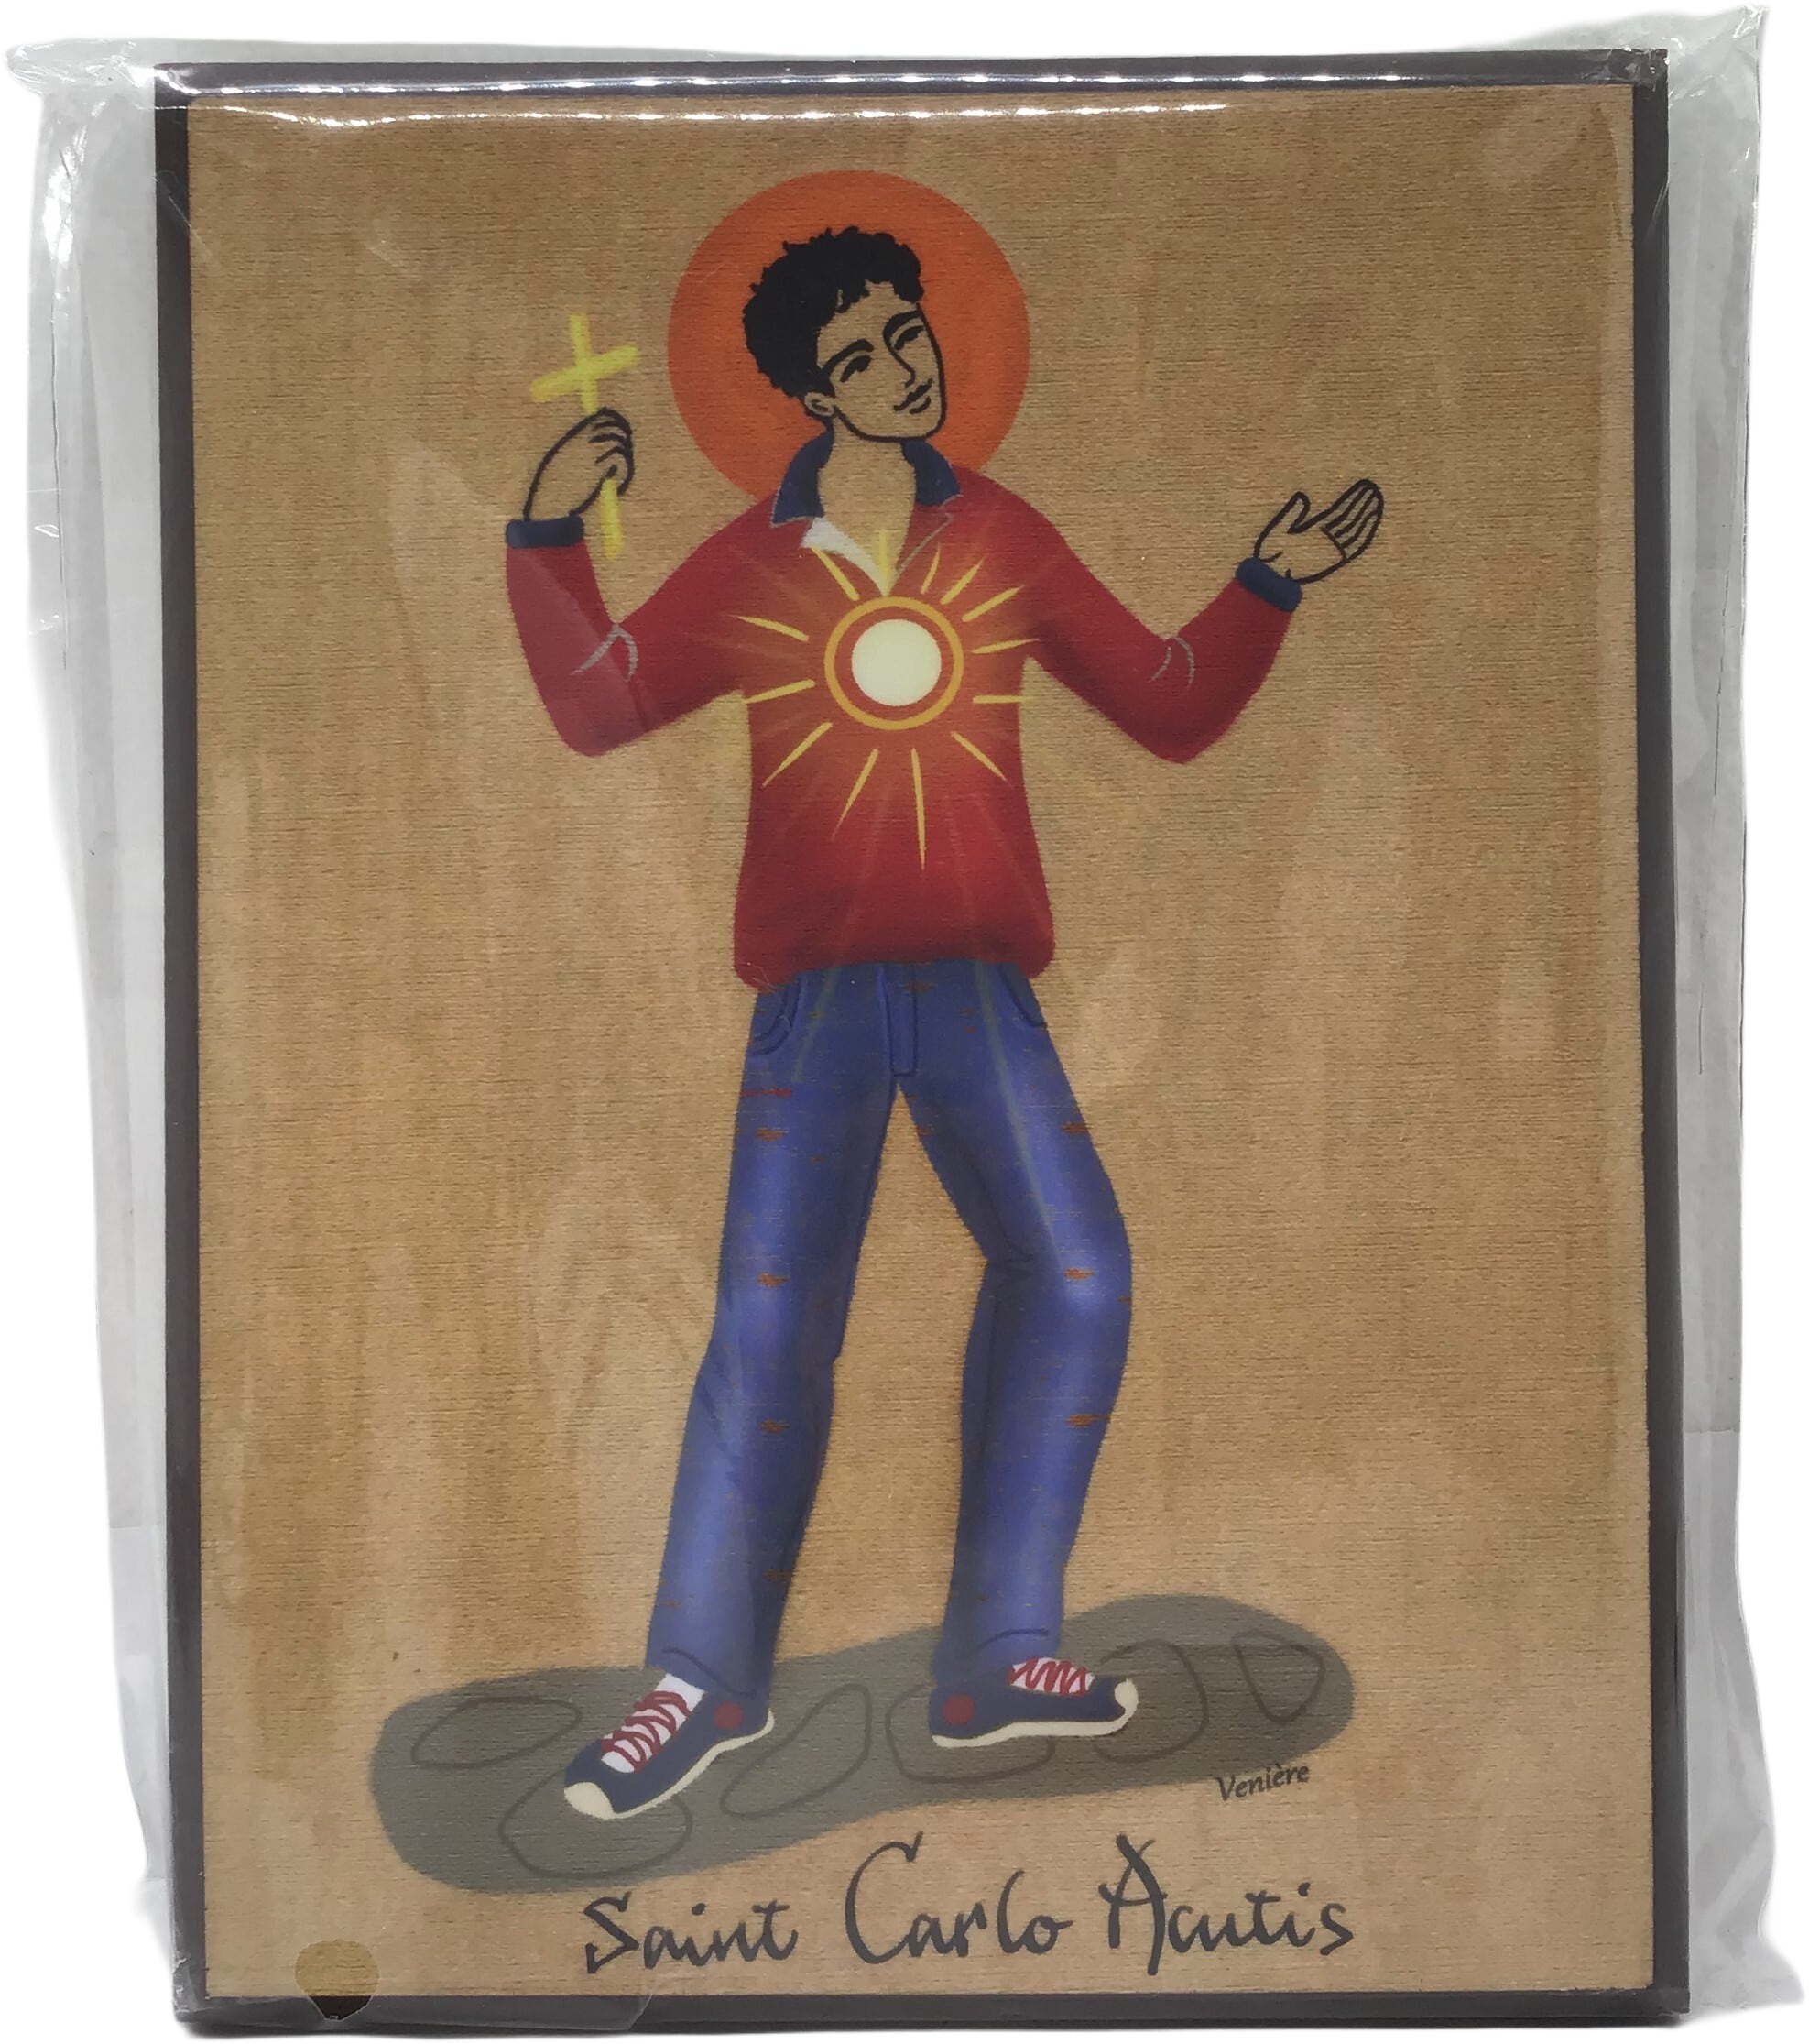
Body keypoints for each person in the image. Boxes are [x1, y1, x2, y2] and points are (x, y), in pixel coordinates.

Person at [505, 225, 1382, 1820]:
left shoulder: (1002, 535)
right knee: (770, 1330)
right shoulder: (756, 562)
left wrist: (1268, 583)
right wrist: (548, 529)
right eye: (859, 358)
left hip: (979, 992)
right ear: (808, 395)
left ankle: (998, 1657)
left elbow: (1169, 703)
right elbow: (599, 702)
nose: (901, 370)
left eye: (908, 334)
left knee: (1076, 1273)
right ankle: (697, 1689)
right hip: (817, 1006)